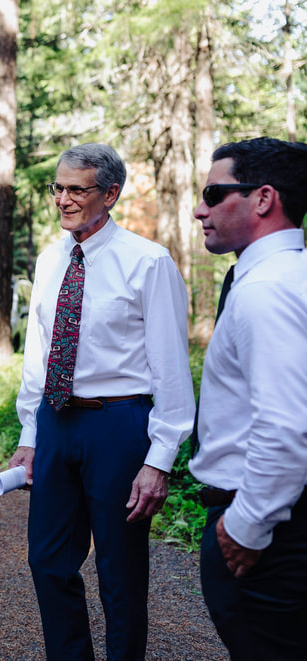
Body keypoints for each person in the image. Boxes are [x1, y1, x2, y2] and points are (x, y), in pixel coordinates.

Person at [6, 143, 194, 661]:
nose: (63, 199)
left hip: (120, 423)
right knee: (47, 561)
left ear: (109, 193)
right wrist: (29, 435)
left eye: (76, 189)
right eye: (58, 188)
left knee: (120, 572)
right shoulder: (49, 259)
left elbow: (172, 370)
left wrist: (159, 460)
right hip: (57, 421)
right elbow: (37, 355)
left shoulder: (148, 261)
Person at [189, 137, 307, 660]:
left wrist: (245, 527)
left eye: (214, 194)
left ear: (263, 199)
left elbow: (286, 425)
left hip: (268, 537)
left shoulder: (266, 290)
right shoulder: (284, 277)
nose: (200, 209)